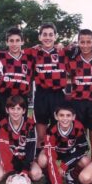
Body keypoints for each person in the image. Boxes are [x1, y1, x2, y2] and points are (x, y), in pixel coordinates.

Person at [27, 22, 68, 151]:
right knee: (41, 135)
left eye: (51, 35)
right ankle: (41, 164)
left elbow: (84, 47)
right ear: (39, 37)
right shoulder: (33, 52)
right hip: (41, 95)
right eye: (44, 34)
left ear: (55, 37)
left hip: (58, 95)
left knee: (60, 133)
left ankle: (60, 166)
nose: (47, 37)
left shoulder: (63, 52)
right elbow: (13, 51)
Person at [37, 101, 90, 184]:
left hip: (70, 153)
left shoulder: (78, 127)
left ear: (73, 117)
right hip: (55, 152)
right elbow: (50, 156)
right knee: (42, 160)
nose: (65, 118)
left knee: (86, 161)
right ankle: (50, 177)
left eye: (68, 115)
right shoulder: (51, 130)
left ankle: (72, 176)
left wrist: (64, 165)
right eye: (61, 115)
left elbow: (82, 149)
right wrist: (57, 183)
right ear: (56, 116)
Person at [0, 95, 42, 183]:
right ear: (7, 110)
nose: (15, 112)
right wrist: (11, 172)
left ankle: (25, 174)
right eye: (12, 108)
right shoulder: (2, 125)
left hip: (25, 159)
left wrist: (25, 170)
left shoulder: (30, 125)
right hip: (9, 160)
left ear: (24, 111)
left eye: (19, 109)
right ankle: (12, 174)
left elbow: (31, 151)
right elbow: (4, 152)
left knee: (37, 174)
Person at [0, 27, 34, 120]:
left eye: (17, 40)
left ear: (22, 42)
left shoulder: (30, 57)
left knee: (21, 128)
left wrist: (59, 45)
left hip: (22, 98)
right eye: (11, 41)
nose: (14, 44)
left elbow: (43, 50)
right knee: (3, 128)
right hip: (3, 98)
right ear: (7, 42)